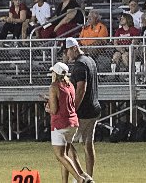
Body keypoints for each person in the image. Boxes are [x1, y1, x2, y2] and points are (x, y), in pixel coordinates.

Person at [47, 62, 93, 183]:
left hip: (60, 124)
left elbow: (54, 109)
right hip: (72, 122)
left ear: (55, 73)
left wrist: (47, 108)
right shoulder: (70, 85)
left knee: (60, 155)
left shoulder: (53, 86)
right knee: (66, 155)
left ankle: (80, 178)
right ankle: (65, 181)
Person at [65, 38, 100, 179]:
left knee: (65, 144)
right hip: (94, 108)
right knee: (88, 144)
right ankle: (89, 177)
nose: (67, 55)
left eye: (67, 51)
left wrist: (73, 109)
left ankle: (80, 175)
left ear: (74, 48)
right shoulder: (90, 60)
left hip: (83, 111)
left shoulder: (79, 65)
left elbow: (81, 89)